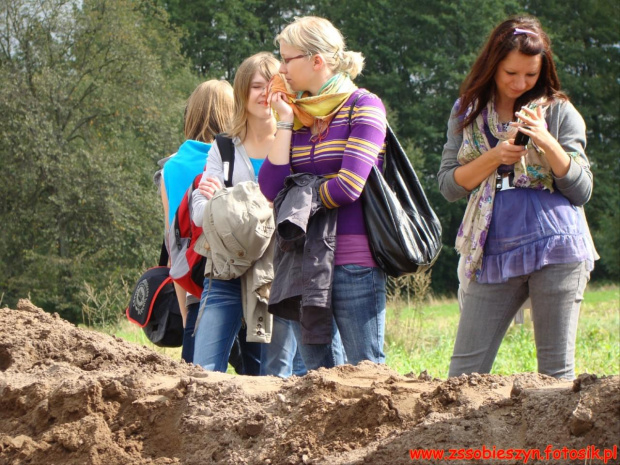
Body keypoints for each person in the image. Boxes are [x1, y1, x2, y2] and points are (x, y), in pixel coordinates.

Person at [438, 16, 596, 380]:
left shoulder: (558, 111)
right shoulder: (466, 112)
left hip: (558, 246)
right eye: (510, 73)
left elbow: (581, 189)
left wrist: (546, 140)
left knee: (555, 374)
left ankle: (558, 441)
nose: (519, 83)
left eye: (530, 75)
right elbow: (449, 186)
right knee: (463, 374)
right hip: (491, 246)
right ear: (492, 65)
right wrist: (495, 156)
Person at [259, 16, 388, 371]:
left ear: (316, 60)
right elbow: (271, 188)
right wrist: (284, 119)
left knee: (367, 373)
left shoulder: (365, 106)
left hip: (354, 262)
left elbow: (349, 186)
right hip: (303, 264)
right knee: (317, 380)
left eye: (288, 59)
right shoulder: (297, 114)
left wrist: (298, 200)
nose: (281, 68)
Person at [191, 52, 307, 376]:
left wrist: (226, 201)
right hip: (226, 269)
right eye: (255, 86)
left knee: (273, 375)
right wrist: (249, 206)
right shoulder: (224, 148)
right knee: (204, 370)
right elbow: (201, 215)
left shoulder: (296, 144)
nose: (263, 94)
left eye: (270, 86)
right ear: (242, 92)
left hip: (278, 272)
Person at [160, 80, 233, 363]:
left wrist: (186, 306)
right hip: (245, 270)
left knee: (196, 372)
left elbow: (175, 240)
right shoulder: (239, 158)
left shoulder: (172, 167)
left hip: (195, 276)